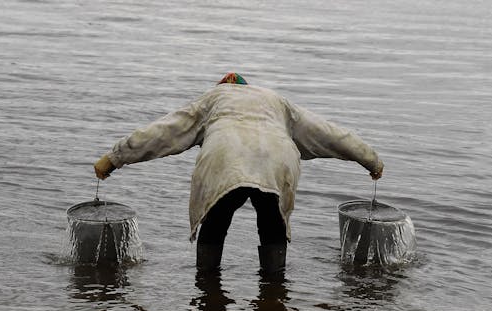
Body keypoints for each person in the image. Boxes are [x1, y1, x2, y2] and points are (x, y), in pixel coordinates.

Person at [94, 72, 384, 273]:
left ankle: (207, 285)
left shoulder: (213, 99)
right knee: (272, 225)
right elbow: (329, 134)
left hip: (225, 159)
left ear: (223, 88)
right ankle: (274, 289)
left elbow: (163, 133)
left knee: (215, 225)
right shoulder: (276, 102)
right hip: (275, 160)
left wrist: (114, 158)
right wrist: (371, 161)